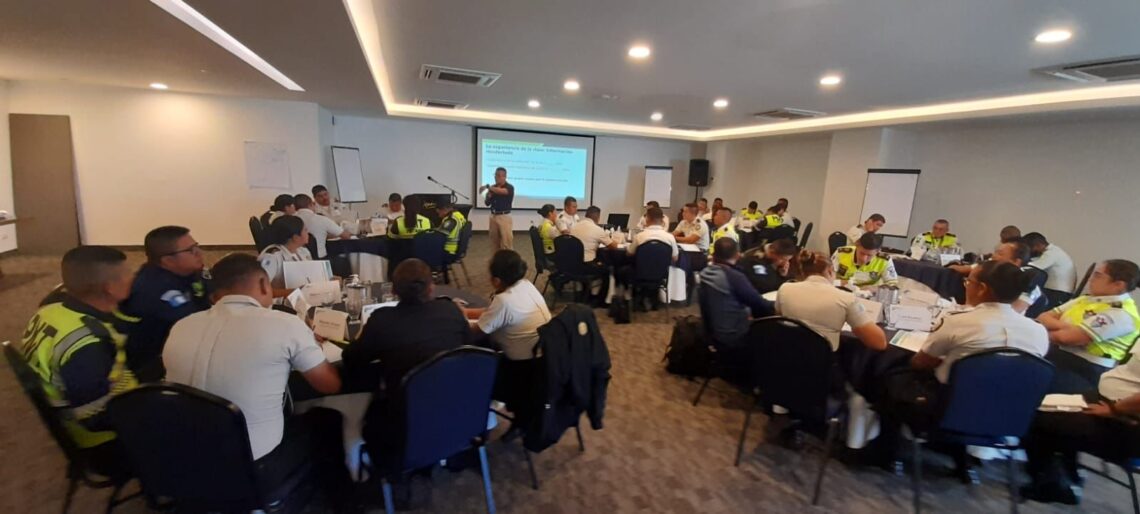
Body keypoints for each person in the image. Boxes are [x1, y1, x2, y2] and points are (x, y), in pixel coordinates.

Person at [162, 254, 345, 494]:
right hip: (253, 466)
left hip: (183, 460)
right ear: (263, 285)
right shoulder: (285, 323)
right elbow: (329, 385)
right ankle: (342, 499)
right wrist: (311, 346)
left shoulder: (182, 326)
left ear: (215, 294)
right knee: (327, 419)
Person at [876, 262, 1049, 474]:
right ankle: (962, 460)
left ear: (982, 288)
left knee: (890, 377)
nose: (966, 286)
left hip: (944, 410)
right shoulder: (1039, 332)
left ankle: (886, 454)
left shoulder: (959, 322)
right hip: (1009, 417)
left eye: (968, 281)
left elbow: (921, 362)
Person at [21, 246, 138, 477]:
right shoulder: (87, 347)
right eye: (128, 273)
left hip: (94, 397)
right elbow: (95, 418)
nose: (133, 277)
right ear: (110, 287)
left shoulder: (51, 309)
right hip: (106, 443)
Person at [1020, 350, 1140, 505]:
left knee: (1033, 416)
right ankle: (1067, 474)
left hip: (1125, 422)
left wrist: (1114, 410)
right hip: (1109, 404)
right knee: (1042, 406)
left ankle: (1053, 486)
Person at [344, 258, 468, 400]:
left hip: (402, 407)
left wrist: (361, 333)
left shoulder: (382, 321)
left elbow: (350, 359)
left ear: (393, 290)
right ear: (431, 287)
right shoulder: (451, 310)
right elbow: (468, 347)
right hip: (456, 400)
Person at [118, 225, 211, 381]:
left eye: (197, 246)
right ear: (167, 260)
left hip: (178, 350)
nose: (198, 253)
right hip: (153, 368)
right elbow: (196, 326)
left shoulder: (188, 272)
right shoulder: (156, 290)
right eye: (190, 250)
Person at [464, 250, 553, 411]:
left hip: (520, 371)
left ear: (497, 280)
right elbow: (491, 312)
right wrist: (466, 312)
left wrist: (457, 317)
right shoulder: (526, 285)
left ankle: (484, 406)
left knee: (472, 357)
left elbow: (476, 331)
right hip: (542, 362)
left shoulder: (504, 301)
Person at [1038, 259, 1140, 394]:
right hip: (1060, 356)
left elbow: (1066, 338)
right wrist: (1073, 328)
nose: (1091, 280)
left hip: (1085, 369)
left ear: (1118, 285)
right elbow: (1043, 317)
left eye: (1098, 276)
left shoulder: (1121, 314)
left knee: (1031, 377)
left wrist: (1040, 332)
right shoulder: (1086, 299)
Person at [776, 250, 886, 352]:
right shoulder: (846, 298)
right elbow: (879, 343)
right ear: (830, 270)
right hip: (822, 359)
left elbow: (780, 321)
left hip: (786, 354)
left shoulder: (784, 289)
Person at [698, 239, 775, 378]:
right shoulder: (734, 277)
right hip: (733, 336)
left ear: (714, 254)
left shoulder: (706, 272)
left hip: (711, 333)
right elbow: (761, 304)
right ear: (737, 255)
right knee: (776, 334)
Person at [949, 240, 1045, 315]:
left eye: (1000, 254)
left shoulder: (1026, 284)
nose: (994, 256)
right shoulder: (988, 270)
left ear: (1016, 262)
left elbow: (1011, 313)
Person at [258, 215, 313, 297]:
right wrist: (294, 292)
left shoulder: (303, 251)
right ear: (295, 237)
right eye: (305, 230)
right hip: (281, 301)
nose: (308, 233)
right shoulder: (272, 257)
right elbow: (260, 289)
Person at [1024, 232, 1077, 306]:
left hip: (1058, 294)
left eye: (1030, 249)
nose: (1030, 252)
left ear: (1038, 245)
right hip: (1055, 292)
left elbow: (1034, 267)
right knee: (1028, 296)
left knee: (1028, 300)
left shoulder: (1052, 253)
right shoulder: (1052, 251)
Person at [832, 232, 898, 289]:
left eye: (869, 255)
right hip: (842, 290)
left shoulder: (884, 260)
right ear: (857, 245)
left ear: (878, 251)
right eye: (862, 253)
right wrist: (840, 283)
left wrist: (874, 289)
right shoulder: (841, 253)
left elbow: (893, 285)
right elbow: (827, 278)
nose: (863, 259)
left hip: (868, 294)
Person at [295, 194, 349, 258]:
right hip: (320, 258)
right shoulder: (321, 219)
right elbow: (345, 235)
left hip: (298, 259)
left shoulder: (291, 220)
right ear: (311, 204)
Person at [481, 167, 515, 250]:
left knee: (506, 243)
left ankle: (507, 258)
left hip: (504, 217)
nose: (496, 177)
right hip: (493, 216)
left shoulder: (509, 187)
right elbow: (487, 203)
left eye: (499, 175)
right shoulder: (492, 187)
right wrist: (488, 196)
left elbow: (502, 191)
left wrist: (488, 187)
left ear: (504, 177)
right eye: (495, 175)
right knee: (494, 242)